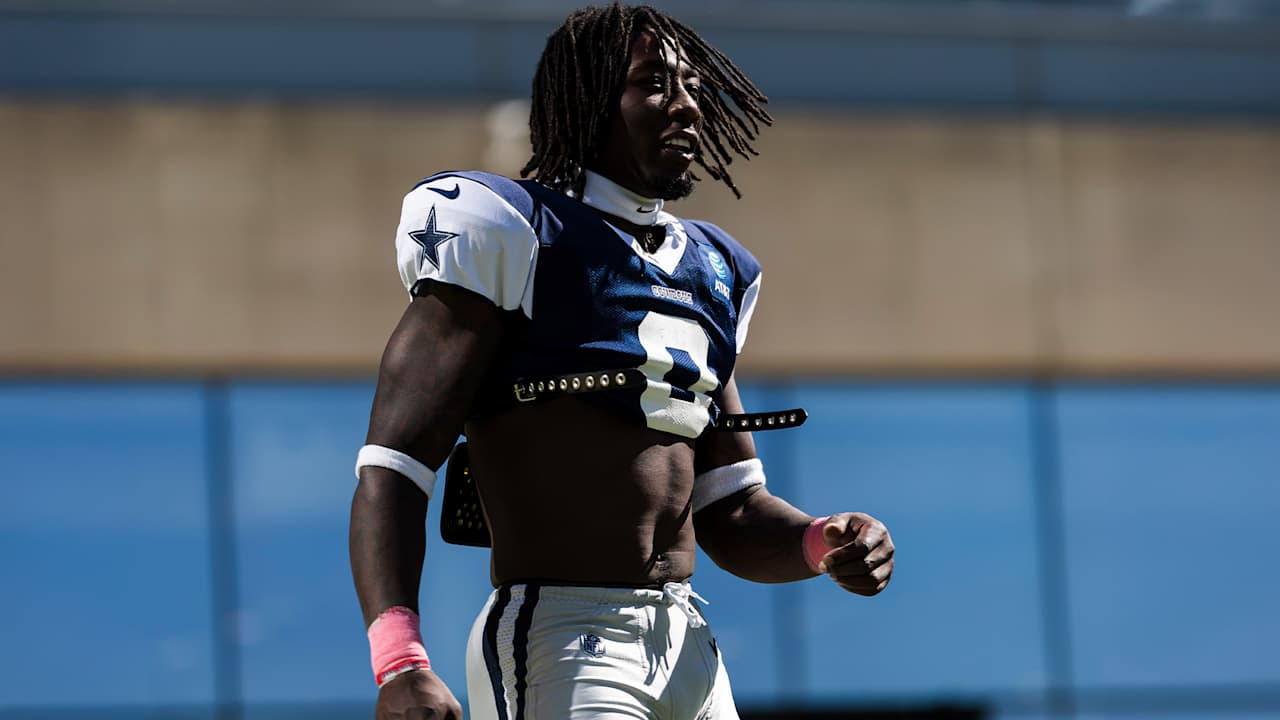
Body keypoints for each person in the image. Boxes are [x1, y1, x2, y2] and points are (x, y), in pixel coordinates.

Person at [349, 4, 895, 719]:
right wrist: (399, 662)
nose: (688, 104)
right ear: (589, 101)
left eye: (693, 85)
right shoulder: (514, 230)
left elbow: (732, 509)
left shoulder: (713, 269)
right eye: (655, 83)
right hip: (565, 635)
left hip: (688, 645)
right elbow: (394, 465)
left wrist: (824, 541)